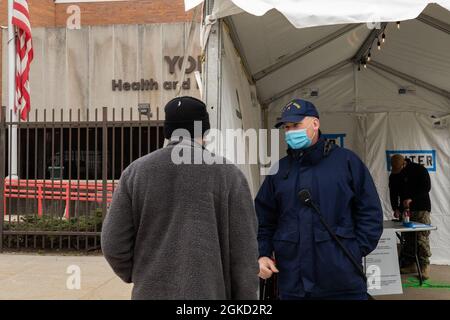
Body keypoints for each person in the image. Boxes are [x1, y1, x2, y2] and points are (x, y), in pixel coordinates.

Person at [101, 96, 259, 299]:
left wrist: (141, 272)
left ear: (168, 130)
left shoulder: (135, 172)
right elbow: (244, 253)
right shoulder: (229, 175)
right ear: (205, 130)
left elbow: (112, 243)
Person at [255, 99, 383, 300]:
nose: (290, 132)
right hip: (293, 284)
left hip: (342, 282)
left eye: (296, 125)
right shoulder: (279, 171)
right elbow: (263, 219)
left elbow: (370, 213)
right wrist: (262, 254)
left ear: (315, 124)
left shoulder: (347, 162)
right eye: (286, 127)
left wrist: (355, 249)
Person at [389, 154, 432, 279]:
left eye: (399, 169)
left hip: (421, 209)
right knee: (407, 239)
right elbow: (393, 192)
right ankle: (411, 264)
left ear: (404, 163)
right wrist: (395, 208)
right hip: (405, 211)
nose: (397, 172)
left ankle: (424, 266)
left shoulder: (419, 169)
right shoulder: (394, 175)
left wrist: (411, 198)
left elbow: (426, 187)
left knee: (421, 237)